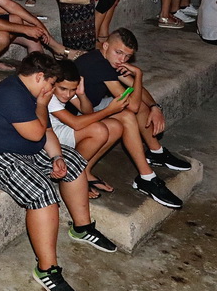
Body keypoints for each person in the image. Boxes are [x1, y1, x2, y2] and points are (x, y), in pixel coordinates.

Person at [0, 52, 118, 291]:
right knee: (42, 192)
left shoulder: (32, 93)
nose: (51, 89)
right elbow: (37, 132)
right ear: (39, 77)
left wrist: (57, 157)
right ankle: (46, 270)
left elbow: (46, 132)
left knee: (74, 163)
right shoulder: (12, 95)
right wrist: (41, 105)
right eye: (50, 83)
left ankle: (82, 228)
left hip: (23, 148)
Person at [73, 29, 189, 201]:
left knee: (142, 106)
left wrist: (155, 107)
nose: (122, 60)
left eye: (127, 56)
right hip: (75, 117)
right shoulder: (99, 64)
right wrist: (139, 75)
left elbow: (137, 95)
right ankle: (147, 177)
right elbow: (132, 106)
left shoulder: (111, 61)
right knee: (128, 116)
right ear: (105, 46)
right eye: (118, 52)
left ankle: (156, 152)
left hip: (92, 107)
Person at [46, 59, 181, 205]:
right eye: (64, 89)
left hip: (64, 129)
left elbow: (87, 111)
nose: (67, 94)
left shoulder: (67, 89)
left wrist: (81, 94)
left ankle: (146, 177)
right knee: (99, 130)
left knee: (119, 124)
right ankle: (74, 174)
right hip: (52, 137)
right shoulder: (51, 95)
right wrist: (109, 110)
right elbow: (76, 124)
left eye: (72, 90)